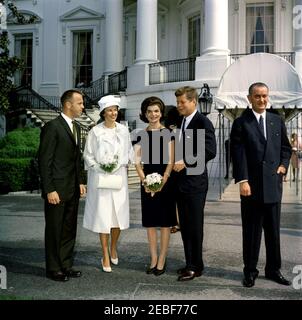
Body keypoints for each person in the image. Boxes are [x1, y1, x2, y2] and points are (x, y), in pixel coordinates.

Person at [230, 82, 292, 288]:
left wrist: (283, 166)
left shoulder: (276, 120)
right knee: (252, 231)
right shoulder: (241, 123)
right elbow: (238, 154)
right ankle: (250, 271)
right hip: (252, 187)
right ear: (249, 99)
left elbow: (286, 148)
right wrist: (243, 180)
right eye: (257, 96)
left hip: (273, 185)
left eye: (265, 96)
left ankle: (274, 270)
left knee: (273, 231)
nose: (262, 100)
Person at [38, 89, 86, 282]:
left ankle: (66, 265)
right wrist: (49, 189)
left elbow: (77, 159)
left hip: (72, 189)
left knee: (68, 229)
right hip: (56, 190)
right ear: (68, 104)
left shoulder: (77, 127)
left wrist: (81, 181)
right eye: (80, 103)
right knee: (54, 229)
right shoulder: (52, 127)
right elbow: (44, 160)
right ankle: (53, 268)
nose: (83, 106)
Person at [83, 95, 133, 273]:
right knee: (103, 217)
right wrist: (100, 167)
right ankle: (105, 253)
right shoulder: (95, 132)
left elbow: (128, 152)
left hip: (118, 177)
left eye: (115, 110)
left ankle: (113, 247)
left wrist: (117, 164)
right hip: (101, 178)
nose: (113, 113)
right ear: (104, 112)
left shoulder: (123, 130)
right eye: (110, 110)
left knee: (117, 218)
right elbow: (88, 155)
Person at [173, 86, 216, 281]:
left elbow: (210, 150)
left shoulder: (202, 122)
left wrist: (186, 161)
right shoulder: (181, 121)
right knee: (185, 225)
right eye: (178, 102)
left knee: (194, 226)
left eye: (182, 102)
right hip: (180, 183)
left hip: (195, 184)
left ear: (193, 102)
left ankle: (196, 266)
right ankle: (190, 262)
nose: (179, 105)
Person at [134, 96, 176, 276]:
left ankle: (162, 259)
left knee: (165, 224)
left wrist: (161, 182)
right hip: (146, 184)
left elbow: (171, 161)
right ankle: (152, 258)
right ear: (145, 113)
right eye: (149, 111)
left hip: (165, 183)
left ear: (161, 113)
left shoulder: (168, 134)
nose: (153, 114)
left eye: (156, 111)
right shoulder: (140, 135)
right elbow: (136, 162)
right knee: (150, 224)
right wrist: (146, 182)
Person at [164, 106, 182, 234]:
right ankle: (177, 222)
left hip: (171, 166)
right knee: (177, 198)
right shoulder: (180, 128)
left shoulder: (167, 130)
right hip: (177, 166)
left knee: (172, 198)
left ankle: (174, 223)